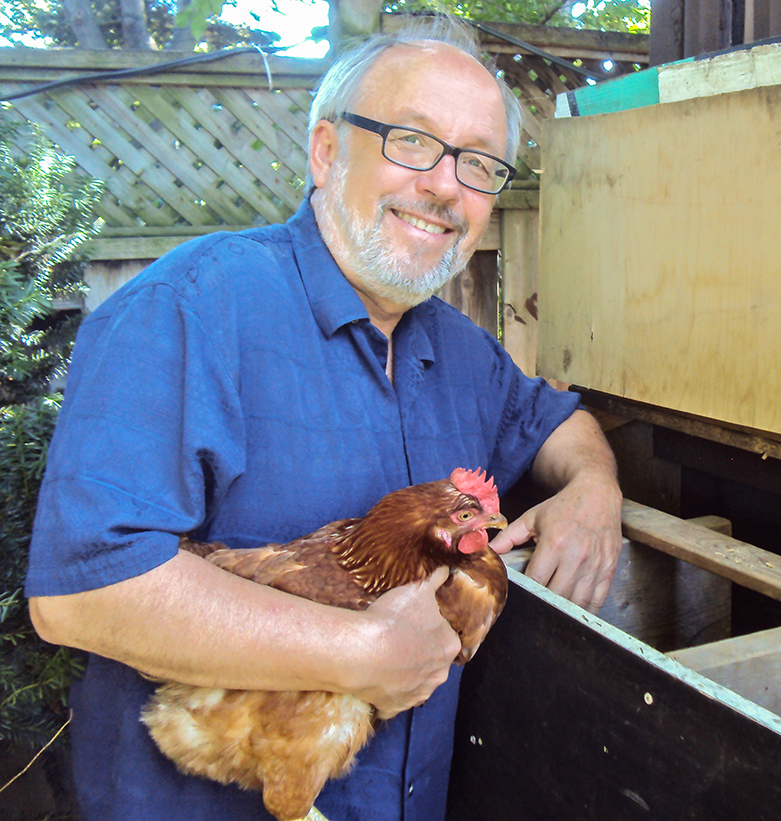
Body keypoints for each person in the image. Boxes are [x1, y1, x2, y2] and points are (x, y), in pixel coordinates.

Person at [25, 16, 622, 821]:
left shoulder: (463, 353)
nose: (445, 186)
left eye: (479, 164)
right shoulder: (188, 311)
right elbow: (79, 593)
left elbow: (557, 420)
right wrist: (357, 652)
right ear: (326, 150)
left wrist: (593, 486)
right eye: (412, 141)